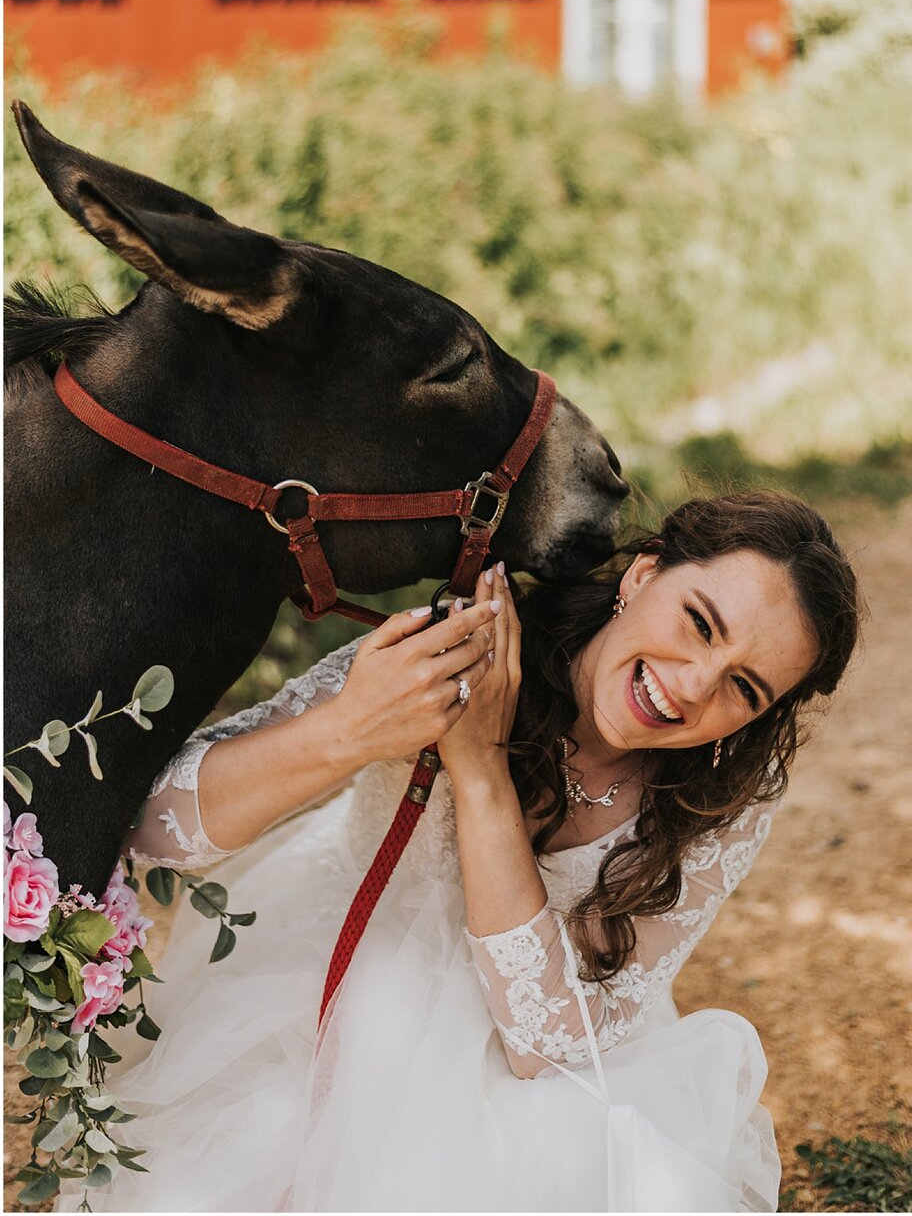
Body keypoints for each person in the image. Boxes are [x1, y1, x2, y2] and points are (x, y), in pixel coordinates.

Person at [82, 490, 861, 1215]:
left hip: (540, 1055)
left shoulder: (724, 794)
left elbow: (545, 1045)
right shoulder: (469, 640)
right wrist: (352, 726)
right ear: (646, 573)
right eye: (699, 622)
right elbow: (151, 827)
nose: (693, 688)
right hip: (325, 974)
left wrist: (481, 767)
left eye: (744, 689)